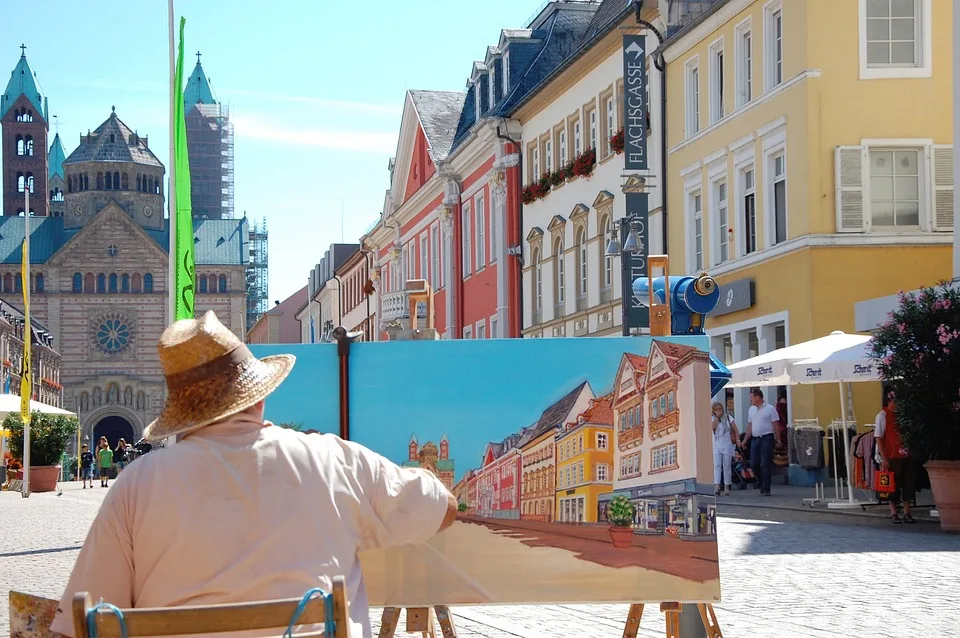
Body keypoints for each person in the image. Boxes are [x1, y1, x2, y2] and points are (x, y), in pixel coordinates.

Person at [49, 311, 458, 638]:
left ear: (183, 415)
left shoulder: (136, 485)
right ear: (258, 397)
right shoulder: (333, 460)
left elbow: (83, 623)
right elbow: (443, 509)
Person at [875, 387, 916, 524]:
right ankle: (893, 512)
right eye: (895, 400)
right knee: (892, 485)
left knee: (908, 484)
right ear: (889, 400)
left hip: (906, 455)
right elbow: (879, 438)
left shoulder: (904, 415)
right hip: (892, 455)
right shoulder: (882, 415)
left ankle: (907, 512)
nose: (897, 403)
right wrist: (884, 458)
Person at [742, 388, 780, 496]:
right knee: (754, 463)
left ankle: (766, 487)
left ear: (758, 397)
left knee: (765, 463)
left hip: (767, 438)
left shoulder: (770, 409)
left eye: (752, 398)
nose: (751, 400)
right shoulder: (751, 410)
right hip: (755, 439)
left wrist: (778, 439)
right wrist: (745, 440)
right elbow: (750, 426)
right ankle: (760, 480)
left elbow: (776, 425)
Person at [711, 401, 739, 496]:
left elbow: (735, 429)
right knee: (717, 465)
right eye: (717, 409)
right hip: (716, 444)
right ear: (714, 411)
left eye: (720, 409)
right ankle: (717, 486)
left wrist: (738, 440)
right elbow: (712, 427)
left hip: (727, 444)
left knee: (727, 466)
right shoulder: (712, 419)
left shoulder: (728, 417)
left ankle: (727, 486)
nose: (720, 411)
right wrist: (717, 418)